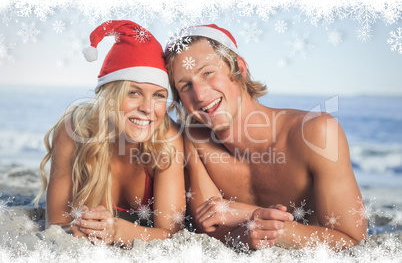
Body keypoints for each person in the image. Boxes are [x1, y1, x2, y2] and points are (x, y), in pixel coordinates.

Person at [164, 24, 367, 250]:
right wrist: (248, 230)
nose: (200, 94)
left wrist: (247, 216)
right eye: (185, 85)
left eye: (208, 73)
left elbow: (353, 241)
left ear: (238, 68)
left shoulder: (316, 133)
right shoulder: (195, 142)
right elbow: (210, 230)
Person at [35, 20, 185, 247]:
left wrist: (119, 231)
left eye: (159, 95)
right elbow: (56, 224)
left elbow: (172, 235)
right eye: (134, 93)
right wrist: (77, 228)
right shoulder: (73, 130)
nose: (148, 108)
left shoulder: (168, 139)